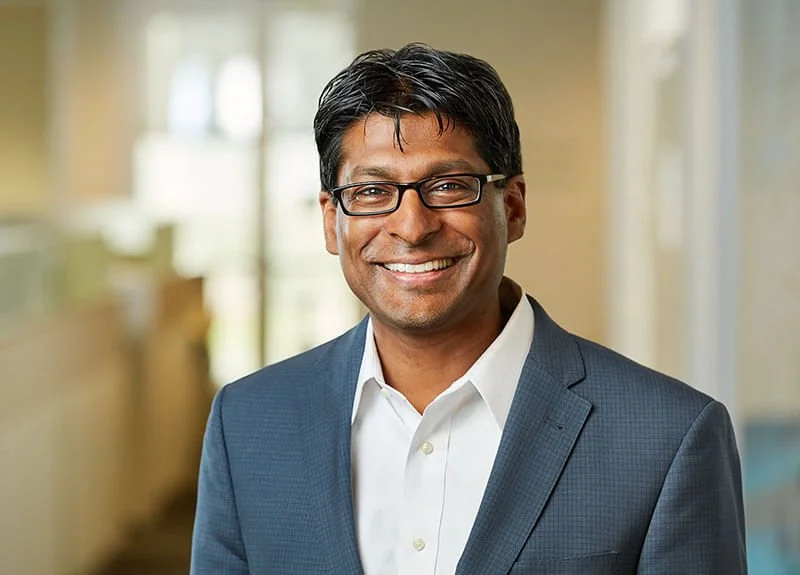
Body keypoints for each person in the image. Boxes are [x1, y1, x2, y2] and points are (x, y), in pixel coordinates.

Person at [191, 43, 747, 574]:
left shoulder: (668, 436)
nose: (412, 227)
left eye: (449, 186)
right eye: (371, 193)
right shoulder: (247, 424)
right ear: (331, 222)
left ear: (514, 206)